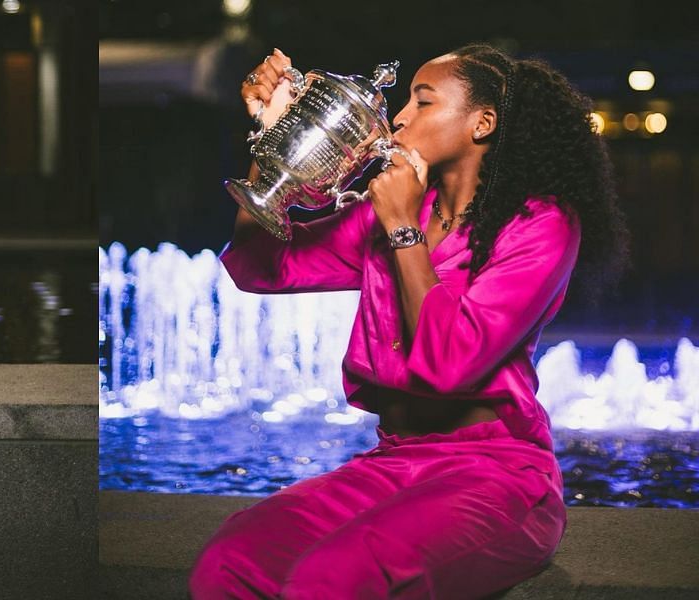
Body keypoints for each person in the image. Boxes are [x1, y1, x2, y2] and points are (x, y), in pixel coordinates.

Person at [189, 44, 629, 599]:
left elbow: (450, 364)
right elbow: (261, 267)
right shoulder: (391, 211)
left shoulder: (538, 224)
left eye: (423, 102)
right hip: (394, 461)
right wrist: (274, 145)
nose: (399, 116)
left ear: (482, 123)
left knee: (332, 577)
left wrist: (402, 229)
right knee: (228, 562)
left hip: (496, 475)